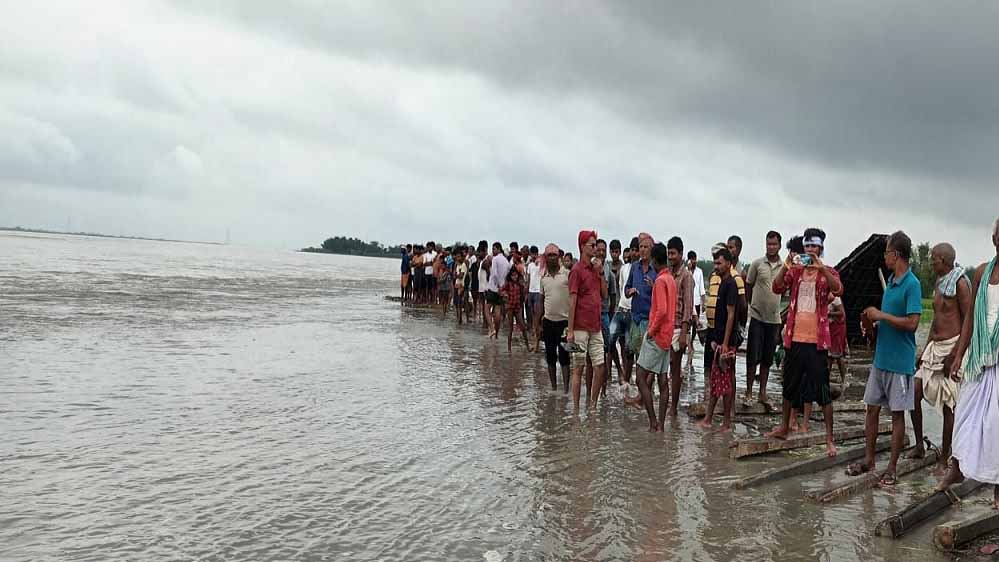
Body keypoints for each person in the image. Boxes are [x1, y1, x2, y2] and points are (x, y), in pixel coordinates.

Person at [848, 231, 922, 484]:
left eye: (887, 252)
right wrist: (872, 325)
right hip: (881, 359)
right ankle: (869, 460)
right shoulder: (890, 281)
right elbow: (888, 319)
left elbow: (913, 323)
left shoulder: (912, 284)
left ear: (897, 255)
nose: (884, 256)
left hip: (900, 363)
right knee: (872, 409)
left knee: (898, 414)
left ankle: (891, 468)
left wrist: (882, 316)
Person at [764, 228, 843, 457]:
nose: (810, 250)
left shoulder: (828, 272)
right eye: (807, 247)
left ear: (820, 249)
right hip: (794, 339)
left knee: (823, 391)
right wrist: (787, 264)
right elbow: (777, 287)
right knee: (789, 387)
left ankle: (829, 438)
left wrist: (820, 268)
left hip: (817, 342)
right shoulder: (795, 272)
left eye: (814, 247)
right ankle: (784, 427)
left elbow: (838, 289)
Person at [938, 218, 999, 508]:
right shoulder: (981, 273)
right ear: (994, 239)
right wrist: (959, 354)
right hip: (979, 356)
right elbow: (971, 318)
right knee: (965, 413)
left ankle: (997, 488)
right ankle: (957, 466)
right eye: (998, 236)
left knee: (996, 425)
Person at [907, 243, 971, 472]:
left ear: (943, 260)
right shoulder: (939, 283)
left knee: (948, 406)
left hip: (951, 348)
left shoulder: (961, 284)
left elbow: (967, 322)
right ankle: (918, 446)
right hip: (934, 348)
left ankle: (945, 457)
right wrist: (924, 350)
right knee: (913, 393)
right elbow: (936, 319)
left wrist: (955, 355)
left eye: (933, 258)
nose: (930, 261)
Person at [635, 243, 677, 432]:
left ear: (654, 260)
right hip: (667, 336)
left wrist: (650, 331)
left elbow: (661, 311)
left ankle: (653, 423)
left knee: (640, 377)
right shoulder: (670, 279)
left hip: (657, 335)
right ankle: (660, 425)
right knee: (662, 379)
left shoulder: (661, 281)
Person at [698, 247, 740, 433]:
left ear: (729, 264)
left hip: (726, 341)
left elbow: (731, 315)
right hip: (719, 338)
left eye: (719, 263)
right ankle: (709, 418)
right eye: (715, 263)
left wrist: (724, 343)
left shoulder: (730, 284)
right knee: (716, 380)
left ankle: (726, 423)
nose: (716, 266)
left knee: (725, 381)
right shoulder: (722, 283)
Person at [567, 230, 607, 411]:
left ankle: (592, 405)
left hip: (595, 326)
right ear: (583, 247)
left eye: (596, 244)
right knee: (578, 367)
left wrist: (600, 274)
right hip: (579, 328)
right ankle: (576, 409)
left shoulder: (596, 269)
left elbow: (604, 295)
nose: (596, 248)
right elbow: (572, 301)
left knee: (600, 366)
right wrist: (569, 331)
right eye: (592, 245)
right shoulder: (576, 271)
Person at [745, 231, 783, 406]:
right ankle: (749, 392)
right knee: (752, 356)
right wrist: (750, 305)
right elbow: (749, 285)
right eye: (768, 244)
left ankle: (762, 393)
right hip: (757, 317)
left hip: (774, 320)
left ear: (779, 246)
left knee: (767, 358)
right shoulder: (757, 264)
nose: (771, 247)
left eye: (774, 244)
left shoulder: (785, 267)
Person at [662, 236, 694, 421]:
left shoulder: (686, 276)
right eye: (669, 253)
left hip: (678, 327)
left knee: (675, 368)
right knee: (664, 367)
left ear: (681, 254)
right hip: (666, 326)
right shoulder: (668, 273)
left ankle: (673, 407)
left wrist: (684, 332)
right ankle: (668, 404)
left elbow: (688, 305)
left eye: (673, 253)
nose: (671, 257)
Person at [537, 244, 572, 392]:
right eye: (549, 255)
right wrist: (537, 324)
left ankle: (565, 390)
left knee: (565, 357)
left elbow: (574, 298)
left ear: (559, 257)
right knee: (550, 356)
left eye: (554, 255)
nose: (552, 257)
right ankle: (553, 389)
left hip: (564, 322)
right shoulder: (543, 278)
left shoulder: (567, 274)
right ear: (545, 258)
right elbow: (541, 301)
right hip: (548, 322)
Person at [610, 237, 639, 399]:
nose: (634, 252)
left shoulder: (642, 270)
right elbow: (622, 290)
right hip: (621, 310)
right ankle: (620, 372)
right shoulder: (624, 269)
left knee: (629, 350)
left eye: (637, 249)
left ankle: (626, 381)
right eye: (633, 249)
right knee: (609, 342)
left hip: (633, 313)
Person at [500, 267, 531, 352]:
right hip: (510, 307)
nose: (515, 277)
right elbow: (501, 290)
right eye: (513, 275)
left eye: (516, 275)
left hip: (518, 307)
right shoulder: (508, 284)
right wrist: (505, 295)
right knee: (510, 328)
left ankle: (528, 346)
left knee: (523, 327)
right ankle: (509, 349)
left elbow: (523, 295)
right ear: (510, 276)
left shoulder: (519, 285)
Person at [485, 242, 510, 338]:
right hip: (502, 289)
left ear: (498, 249)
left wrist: (498, 285)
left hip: (493, 287)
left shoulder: (495, 259)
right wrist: (502, 287)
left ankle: (492, 329)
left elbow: (494, 273)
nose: (493, 251)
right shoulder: (506, 261)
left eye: (494, 249)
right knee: (498, 309)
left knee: (487, 308)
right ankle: (497, 334)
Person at [686, 250, 706, 370]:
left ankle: (691, 342)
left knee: (695, 325)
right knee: (688, 323)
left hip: (697, 302)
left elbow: (701, 288)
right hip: (687, 301)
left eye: (694, 259)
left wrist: (703, 302)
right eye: (691, 259)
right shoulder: (686, 271)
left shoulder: (699, 272)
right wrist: (688, 270)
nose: (693, 261)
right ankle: (689, 345)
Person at [827, 296, 849, 384]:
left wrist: (828, 314)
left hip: (837, 329)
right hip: (830, 328)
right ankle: (826, 379)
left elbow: (841, 312)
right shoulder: (823, 295)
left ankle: (844, 379)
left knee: (838, 355)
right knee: (829, 355)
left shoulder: (835, 298)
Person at [526, 245, 543, 345]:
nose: (532, 256)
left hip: (538, 291)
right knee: (532, 312)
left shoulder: (541, 264)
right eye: (531, 254)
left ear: (536, 253)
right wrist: (527, 292)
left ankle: (536, 330)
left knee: (537, 313)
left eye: (533, 254)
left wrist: (539, 259)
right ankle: (534, 329)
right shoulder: (530, 265)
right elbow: (528, 279)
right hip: (531, 291)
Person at [454, 248, 469, 325]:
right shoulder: (458, 265)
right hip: (457, 285)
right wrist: (456, 275)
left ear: (462, 257)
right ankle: (459, 319)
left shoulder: (463, 265)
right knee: (457, 304)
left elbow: (460, 276)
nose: (457, 258)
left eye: (459, 256)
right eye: (457, 256)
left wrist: (456, 275)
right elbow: (456, 275)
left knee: (460, 304)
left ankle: (460, 320)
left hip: (461, 286)